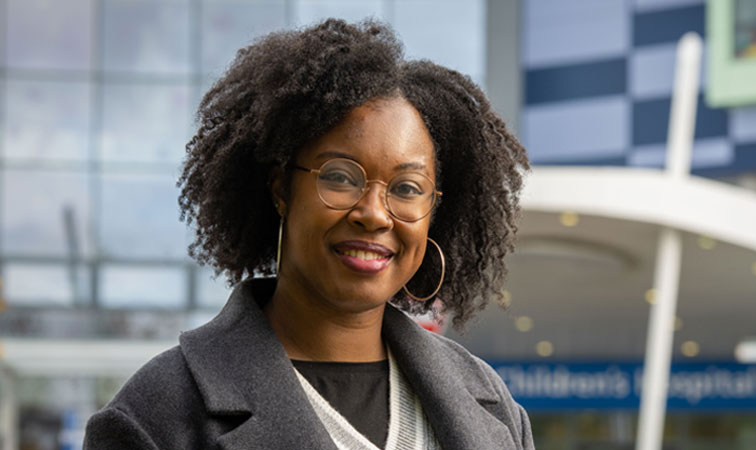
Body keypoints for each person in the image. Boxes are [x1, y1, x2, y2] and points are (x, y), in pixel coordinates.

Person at [84, 19, 533, 450]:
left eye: (407, 188)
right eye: (339, 177)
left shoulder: (491, 404)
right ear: (281, 188)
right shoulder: (156, 417)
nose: (374, 214)